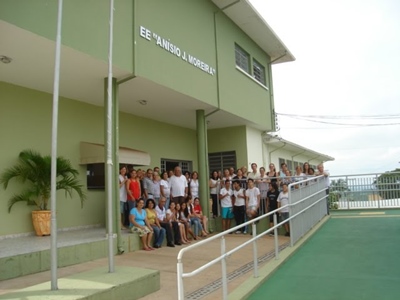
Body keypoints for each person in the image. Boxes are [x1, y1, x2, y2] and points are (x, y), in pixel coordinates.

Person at [119, 166, 128, 230]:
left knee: (122, 212)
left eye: (125, 169)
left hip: (124, 197)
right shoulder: (118, 176)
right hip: (120, 196)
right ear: (120, 170)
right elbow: (119, 186)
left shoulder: (126, 177)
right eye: (122, 169)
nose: (124, 170)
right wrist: (124, 180)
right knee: (120, 212)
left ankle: (121, 224)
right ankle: (120, 225)